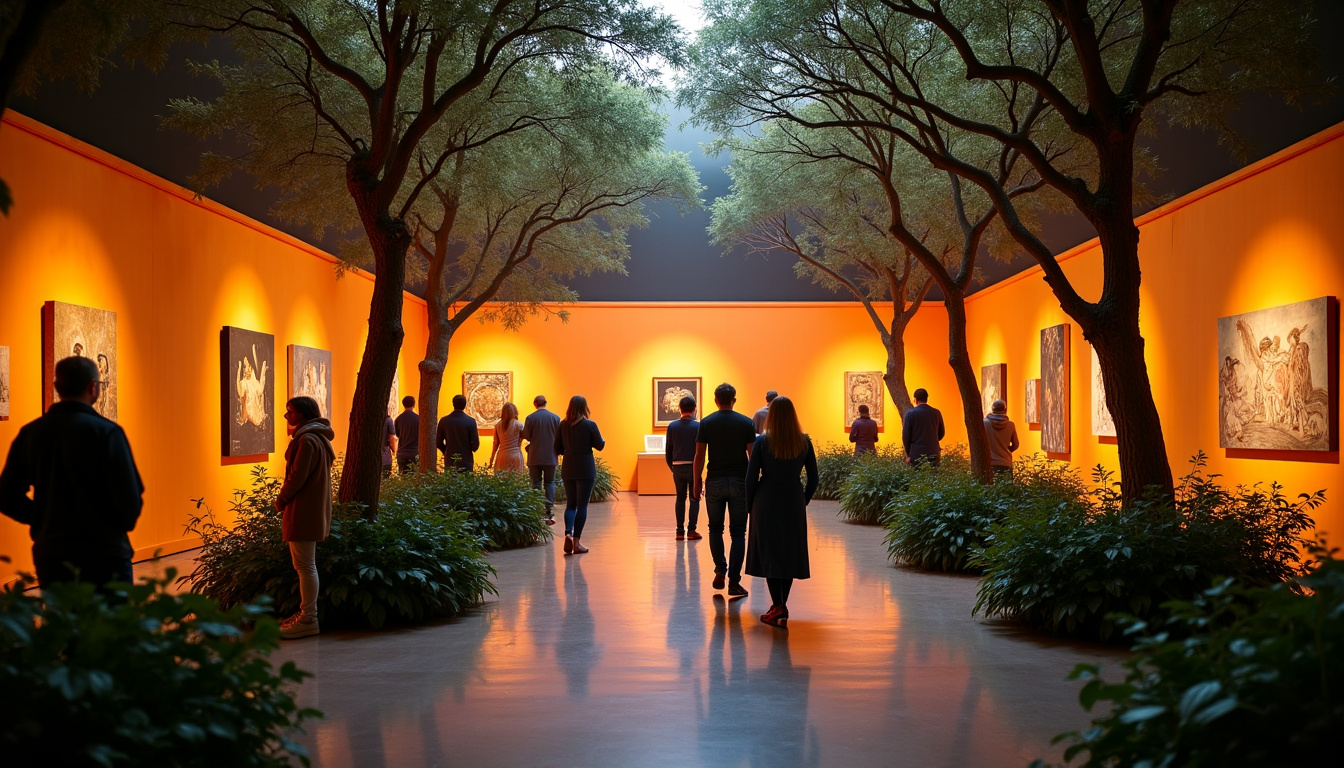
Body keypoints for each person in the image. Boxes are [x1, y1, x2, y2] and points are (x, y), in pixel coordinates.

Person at [0, 356, 143, 590]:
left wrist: (43, 518)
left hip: (53, 550)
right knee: (110, 623)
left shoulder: (32, 433)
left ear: (57, 387)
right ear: (93, 387)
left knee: (62, 620)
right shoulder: (108, 433)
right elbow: (129, 500)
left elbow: (6, 495)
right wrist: (110, 525)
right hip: (105, 551)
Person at [745, 396, 818, 628]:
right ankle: (780, 605)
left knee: (770, 552)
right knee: (788, 551)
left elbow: (750, 478)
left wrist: (750, 505)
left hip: (766, 500)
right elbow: (814, 479)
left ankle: (778, 606)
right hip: (793, 500)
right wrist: (803, 500)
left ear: (772, 415)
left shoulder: (763, 442)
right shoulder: (804, 441)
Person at [274, 396, 335, 639]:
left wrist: (281, 500)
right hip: (309, 509)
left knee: (305, 566)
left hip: (303, 510)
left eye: (290, 412)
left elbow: (297, 477)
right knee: (304, 565)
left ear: (303, 414)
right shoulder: (316, 437)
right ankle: (305, 615)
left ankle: (308, 617)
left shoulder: (307, 439)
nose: (286, 416)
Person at [693, 382, 757, 599]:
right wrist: (755, 484)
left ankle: (720, 570)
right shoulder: (746, 422)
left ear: (715, 400)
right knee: (738, 532)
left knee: (715, 528)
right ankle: (734, 582)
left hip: (715, 482)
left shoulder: (707, 422)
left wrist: (696, 482)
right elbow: (752, 456)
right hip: (740, 482)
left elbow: (699, 456)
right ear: (734, 400)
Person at [554, 395, 605, 555]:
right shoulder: (590, 425)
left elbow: (557, 448)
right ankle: (576, 542)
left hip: (568, 466)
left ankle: (568, 532)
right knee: (582, 506)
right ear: (585, 408)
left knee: (571, 504)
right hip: (585, 467)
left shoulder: (563, 425)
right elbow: (600, 445)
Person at [664, 395, 702, 541]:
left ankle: (679, 531)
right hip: (693, 466)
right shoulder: (698, 426)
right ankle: (692, 531)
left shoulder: (672, 426)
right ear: (694, 409)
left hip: (677, 467)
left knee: (680, 498)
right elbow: (701, 451)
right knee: (694, 498)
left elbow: (668, 450)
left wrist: (672, 467)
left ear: (680, 409)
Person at [523, 395, 561, 525]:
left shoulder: (530, 418)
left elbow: (526, 436)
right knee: (550, 482)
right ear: (546, 403)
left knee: (535, 482)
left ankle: (536, 509)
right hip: (551, 456)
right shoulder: (555, 418)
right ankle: (549, 511)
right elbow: (559, 437)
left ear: (535, 404)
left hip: (534, 455)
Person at [901, 388, 945, 467]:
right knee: (933, 476)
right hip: (933, 451)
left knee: (916, 477)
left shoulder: (910, 414)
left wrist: (908, 453)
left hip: (916, 453)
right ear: (927, 399)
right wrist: (932, 440)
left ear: (915, 399)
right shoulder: (936, 413)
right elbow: (941, 433)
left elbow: (906, 436)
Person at [436, 394, 480, 472]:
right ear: (465, 405)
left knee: (451, 483)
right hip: (466, 459)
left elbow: (438, 442)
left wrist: (446, 451)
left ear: (453, 404)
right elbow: (475, 445)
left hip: (450, 459)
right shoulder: (471, 421)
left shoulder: (444, 421)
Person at [983, 399, 1019, 481]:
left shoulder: (985, 423)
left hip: (990, 462)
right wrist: (1004, 451)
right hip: (1006, 462)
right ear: (1005, 409)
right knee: (1006, 491)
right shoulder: (1011, 425)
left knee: (990, 491)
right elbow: (1016, 444)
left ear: (992, 409)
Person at [490, 402, 526, 473]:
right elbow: (520, 441)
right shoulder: (519, 425)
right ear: (515, 411)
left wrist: (491, 459)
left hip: (502, 456)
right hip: (515, 455)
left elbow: (496, 443)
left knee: (502, 480)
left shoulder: (498, 425)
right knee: (516, 479)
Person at [394, 395, 420, 474]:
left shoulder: (398, 419)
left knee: (403, 478)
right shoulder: (418, 418)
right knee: (414, 478)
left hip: (402, 452)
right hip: (414, 452)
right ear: (414, 404)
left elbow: (397, 434)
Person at [381, 411, 397, 477]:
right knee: (386, 476)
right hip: (385, 455)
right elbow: (391, 438)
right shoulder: (388, 420)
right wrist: (394, 450)